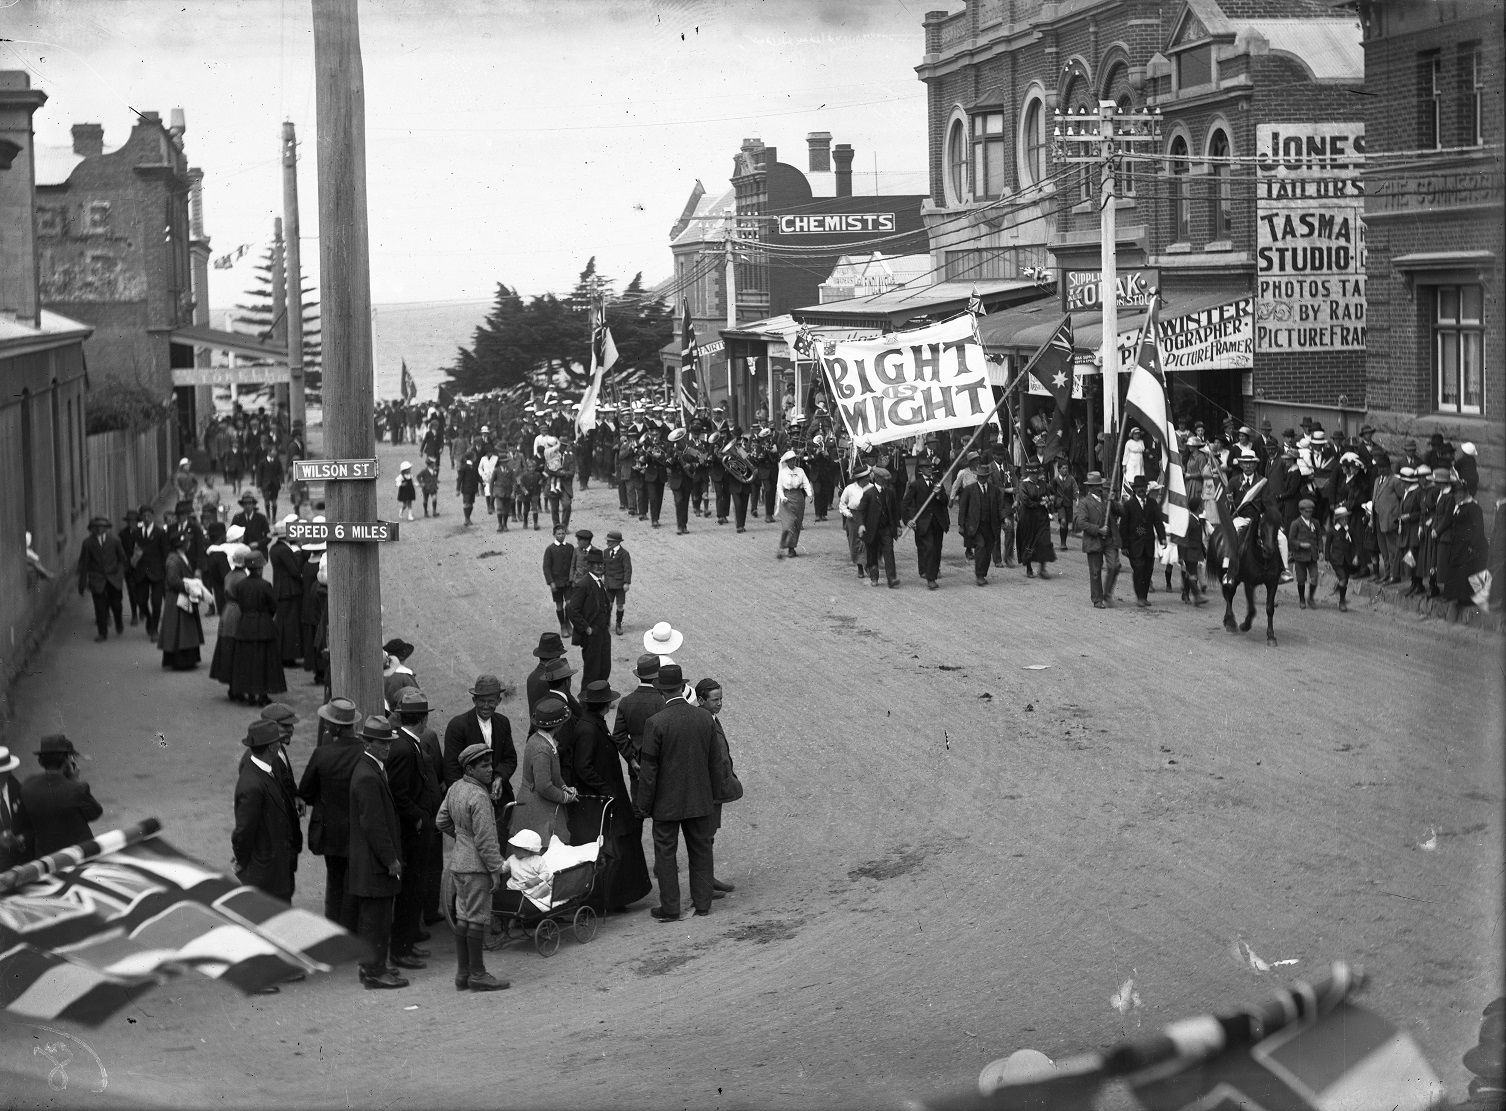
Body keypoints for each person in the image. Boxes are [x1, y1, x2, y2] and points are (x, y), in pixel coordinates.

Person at [634, 663, 723, 922]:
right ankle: (703, 902)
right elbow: (715, 763)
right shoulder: (704, 718)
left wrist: (644, 805)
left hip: (666, 803)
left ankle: (671, 907)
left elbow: (649, 771)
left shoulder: (655, 722)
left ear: (661, 691)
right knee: (701, 850)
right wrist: (712, 795)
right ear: (684, 688)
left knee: (665, 854)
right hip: (700, 798)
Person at [435, 742, 511, 991]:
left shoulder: (456, 788)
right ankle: (477, 974)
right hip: (477, 867)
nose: (490, 770)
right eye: (484, 766)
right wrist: (496, 869)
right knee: (477, 918)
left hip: (458, 864)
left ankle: (463, 974)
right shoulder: (479, 795)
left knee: (463, 916)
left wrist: (462, 838)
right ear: (470, 768)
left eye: (490, 764)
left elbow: (441, 820)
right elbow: (486, 840)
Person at [572, 680, 653, 911]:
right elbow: (584, 767)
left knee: (617, 845)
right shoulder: (588, 728)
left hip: (607, 798)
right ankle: (609, 900)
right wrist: (606, 790)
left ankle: (615, 898)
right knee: (613, 847)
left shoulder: (592, 723)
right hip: (603, 801)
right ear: (604, 704)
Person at [348, 716, 409, 988]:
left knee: (376, 919)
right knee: (376, 920)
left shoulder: (371, 769)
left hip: (372, 863)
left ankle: (372, 966)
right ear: (367, 743)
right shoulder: (367, 776)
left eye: (388, 743)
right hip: (375, 864)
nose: (386, 748)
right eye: (380, 743)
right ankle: (374, 971)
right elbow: (373, 825)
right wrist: (391, 859)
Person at [388, 690, 444, 969]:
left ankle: (407, 944)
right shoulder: (404, 747)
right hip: (413, 833)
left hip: (416, 829)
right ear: (422, 719)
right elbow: (399, 794)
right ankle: (401, 950)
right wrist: (420, 818)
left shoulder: (405, 743)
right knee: (410, 890)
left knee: (414, 889)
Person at [298, 697, 363, 928]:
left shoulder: (322, 754)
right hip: (357, 830)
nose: (325, 726)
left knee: (334, 879)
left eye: (328, 722)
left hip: (330, 831)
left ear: (337, 727)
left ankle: (333, 926)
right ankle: (350, 928)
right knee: (353, 880)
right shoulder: (364, 752)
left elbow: (305, 791)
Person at [232, 719, 300, 901]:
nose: (281, 744)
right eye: (278, 741)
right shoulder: (253, 784)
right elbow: (243, 832)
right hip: (265, 874)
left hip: (274, 868)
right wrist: (243, 862)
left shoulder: (264, 771)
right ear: (271, 747)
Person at [693, 678, 740, 899]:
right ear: (701, 700)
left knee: (708, 836)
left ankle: (708, 880)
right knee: (704, 838)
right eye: (715, 700)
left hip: (715, 789)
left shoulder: (709, 717)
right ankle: (705, 884)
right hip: (708, 791)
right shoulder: (702, 721)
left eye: (721, 698)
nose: (720, 703)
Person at [20, 735, 103, 856]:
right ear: (67, 760)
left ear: (42, 760)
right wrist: (75, 780)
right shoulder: (76, 788)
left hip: (46, 856)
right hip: (77, 855)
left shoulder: (28, 784)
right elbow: (95, 813)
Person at [511, 695, 578, 844]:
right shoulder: (543, 749)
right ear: (559, 725)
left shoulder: (539, 740)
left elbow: (554, 775)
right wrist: (565, 797)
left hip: (537, 807)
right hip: (536, 812)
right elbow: (543, 786)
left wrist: (564, 787)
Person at [227, 552, 286, 706]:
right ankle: (262, 694)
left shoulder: (240, 585)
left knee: (247, 661)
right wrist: (266, 616)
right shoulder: (265, 585)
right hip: (263, 626)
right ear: (260, 568)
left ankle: (250, 693)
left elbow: (240, 602)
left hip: (245, 625)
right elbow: (274, 606)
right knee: (264, 662)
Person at [611, 654, 666, 787]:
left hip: (637, 767)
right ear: (657, 676)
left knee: (638, 804)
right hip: (662, 766)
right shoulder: (663, 702)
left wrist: (632, 760)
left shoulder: (626, 702)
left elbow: (618, 736)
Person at [158, 530, 205, 670]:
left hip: (182, 595)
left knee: (185, 628)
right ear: (181, 544)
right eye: (187, 542)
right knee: (180, 629)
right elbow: (173, 580)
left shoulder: (180, 556)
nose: (189, 543)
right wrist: (190, 586)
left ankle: (187, 659)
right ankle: (181, 661)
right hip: (177, 597)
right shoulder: (173, 559)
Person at [566, 549, 613, 686]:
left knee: (605, 668)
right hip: (592, 634)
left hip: (603, 632)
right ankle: (586, 703)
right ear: (589, 565)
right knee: (592, 671)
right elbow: (572, 610)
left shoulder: (599, 583)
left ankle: (600, 699)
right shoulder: (584, 584)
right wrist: (586, 628)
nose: (599, 566)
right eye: (595, 564)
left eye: (601, 564)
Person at [78, 516, 127, 641]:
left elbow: (122, 559)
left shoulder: (114, 541)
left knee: (116, 605)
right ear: (92, 529)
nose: (99, 530)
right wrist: (82, 584)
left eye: (102, 527)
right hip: (97, 578)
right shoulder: (88, 543)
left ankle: (119, 621)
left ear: (106, 529)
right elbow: (84, 564)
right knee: (100, 607)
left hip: (113, 577)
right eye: (96, 527)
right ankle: (102, 633)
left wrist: (120, 574)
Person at [1121, 474, 1166, 607]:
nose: (1141, 489)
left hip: (1149, 543)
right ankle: (1140, 596)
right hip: (1134, 544)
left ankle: (1144, 596)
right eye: (1138, 487)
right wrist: (1124, 546)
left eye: (1143, 487)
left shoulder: (1152, 503)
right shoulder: (1129, 505)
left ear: (1146, 488)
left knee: (1147, 570)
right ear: (1134, 489)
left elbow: (1158, 522)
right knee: (1139, 569)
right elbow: (1123, 526)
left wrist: (1162, 538)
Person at [1072, 472, 1115, 609]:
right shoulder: (1085, 503)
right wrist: (1098, 529)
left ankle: (1107, 593)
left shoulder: (1107, 499)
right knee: (1095, 571)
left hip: (1108, 540)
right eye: (1097, 486)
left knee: (1114, 565)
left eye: (1100, 485)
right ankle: (1097, 599)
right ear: (1090, 487)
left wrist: (1114, 502)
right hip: (1093, 540)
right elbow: (1082, 523)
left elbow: (1120, 512)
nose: (1100, 488)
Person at [268, 521, 305, 668]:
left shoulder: (274, 549)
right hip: (289, 590)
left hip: (280, 589)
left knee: (283, 623)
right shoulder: (284, 550)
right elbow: (294, 570)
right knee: (290, 626)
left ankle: (283, 654)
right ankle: (288, 656)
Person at [858, 464, 901, 589]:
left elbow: (895, 511)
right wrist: (861, 525)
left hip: (886, 528)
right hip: (872, 529)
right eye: (882, 479)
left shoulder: (890, 492)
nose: (885, 482)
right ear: (876, 478)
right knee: (872, 554)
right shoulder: (868, 493)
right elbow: (861, 511)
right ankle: (874, 577)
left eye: (886, 479)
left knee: (889, 552)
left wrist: (897, 526)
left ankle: (891, 578)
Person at [135, 504, 171, 638]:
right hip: (142, 573)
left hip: (157, 573)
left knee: (156, 603)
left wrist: (165, 571)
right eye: (144, 516)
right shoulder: (137, 533)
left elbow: (165, 552)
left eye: (149, 516)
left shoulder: (160, 533)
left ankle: (154, 629)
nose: (146, 518)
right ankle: (149, 619)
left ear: (153, 516)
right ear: (141, 518)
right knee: (141, 602)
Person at [1015, 462, 1056, 579]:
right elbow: (1025, 500)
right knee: (1029, 541)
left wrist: (1048, 500)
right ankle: (1028, 567)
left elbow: (1049, 494)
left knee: (1044, 540)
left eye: (1038, 473)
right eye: (1034, 474)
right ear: (1029, 473)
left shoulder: (1042, 483)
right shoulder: (1023, 484)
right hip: (1028, 516)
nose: (1036, 476)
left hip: (1042, 516)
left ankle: (1042, 569)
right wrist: (1039, 503)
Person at [774, 449, 813, 560]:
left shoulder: (800, 471)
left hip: (798, 498)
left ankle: (792, 548)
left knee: (796, 524)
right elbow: (779, 487)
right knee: (788, 525)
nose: (792, 462)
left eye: (794, 460)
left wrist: (809, 494)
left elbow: (805, 483)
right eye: (790, 460)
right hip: (787, 499)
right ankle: (782, 546)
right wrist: (783, 497)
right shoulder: (782, 472)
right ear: (786, 461)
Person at [0, 744, 32, 870]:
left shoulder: (17, 790)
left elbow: (31, 825)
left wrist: (20, 838)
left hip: (23, 861)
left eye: (3, 773)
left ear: (9, 771)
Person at [1288, 498, 1322, 609]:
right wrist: (1300, 544)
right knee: (1301, 579)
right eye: (1306, 511)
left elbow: (1319, 538)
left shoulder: (1315, 523)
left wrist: (1320, 551)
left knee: (1314, 577)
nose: (1308, 514)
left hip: (1312, 555)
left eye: (1310, 511)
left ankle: (1310, 597)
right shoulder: (1296, 524)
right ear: (1301, 511)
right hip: (1300, 556)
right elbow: (1291, 540)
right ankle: (1302, 599)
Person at [542, 523, 575, 640]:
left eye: (563, 533)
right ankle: (562, 626)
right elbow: (546, 567)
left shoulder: (570, 547)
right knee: (559, 604)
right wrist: (551, 582)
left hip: (568, 582)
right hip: (556, 582)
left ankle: (568, 622)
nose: (561, 536)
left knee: (570, 604)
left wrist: (573, 578)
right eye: (558, 534)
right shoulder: (550, 549)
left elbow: (573, 564)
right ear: (554, 535)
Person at [1326, 505, 1358, 611]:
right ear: (1338, 520)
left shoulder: (1350, 530)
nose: (1345, 521)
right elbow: (1327, 546)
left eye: (1346, 519)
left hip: (1347, 560)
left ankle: (1341, 593)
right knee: (1343, 578)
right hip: (1336, 559)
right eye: (1342, 519)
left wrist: (1356, 556)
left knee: (1345, 580)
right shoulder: (1332, 531)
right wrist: (1327, 559)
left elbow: (1356, 544)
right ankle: (1342, 602)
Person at [602, 530, 632, 637]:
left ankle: (618, 624)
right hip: (609, 584)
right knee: (608, 605)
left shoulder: (624, 554)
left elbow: (627, 569)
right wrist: (601, 576)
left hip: (619, 585)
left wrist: (626, 582)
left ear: (616, 542)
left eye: (610, 541)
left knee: (620, 605)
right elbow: (603, 566)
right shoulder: (605, 552)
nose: (607, 543)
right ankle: (606, 623)